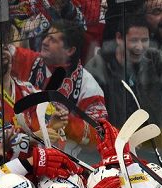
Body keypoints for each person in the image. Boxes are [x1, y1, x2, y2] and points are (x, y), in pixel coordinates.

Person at [86, 15, 162, 133]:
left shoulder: (153, 58)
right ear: (119, 38)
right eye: (134, 40)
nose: (140, 47)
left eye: (144, 40)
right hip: (119, 146)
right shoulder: (98, 68)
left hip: (155, 146)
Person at [11, 19, 108, 148]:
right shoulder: (27, 60)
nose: (44, 42)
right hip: (20, 151)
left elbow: (100, 134)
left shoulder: (89, 87)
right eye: (46, 37)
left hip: (64, 161)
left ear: (70, 50)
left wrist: (65, 122)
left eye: (53, 40)